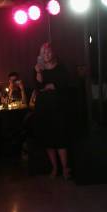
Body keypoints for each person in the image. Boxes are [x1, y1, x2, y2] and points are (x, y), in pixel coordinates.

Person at [34, 42, 70, 179]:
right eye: (43, 53)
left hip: (58, 108)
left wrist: (52, 86)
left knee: (60, 138)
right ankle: (54, 168)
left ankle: (65, 168)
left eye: (48, 52)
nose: (46, 55)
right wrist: (38, 73)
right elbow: (38, 87)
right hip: (44, 108)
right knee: (48, 140)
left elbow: (64, 85)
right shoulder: (39, 69)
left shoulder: (61, 68)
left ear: (53, 52)